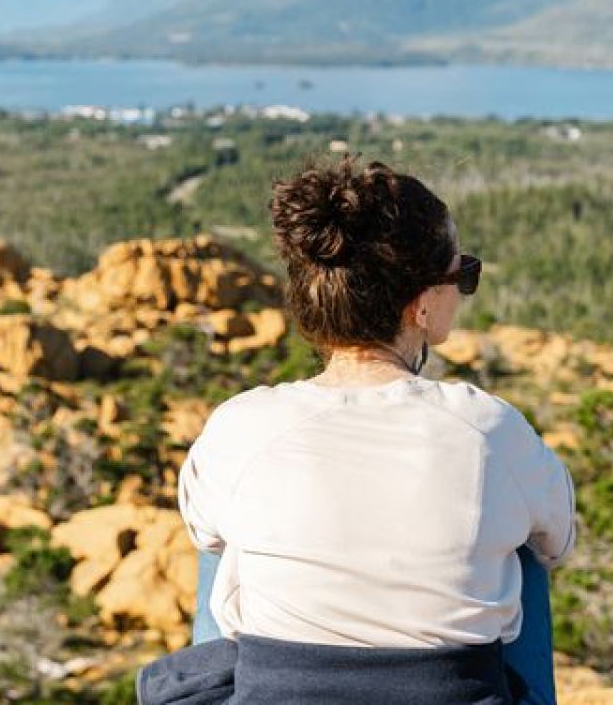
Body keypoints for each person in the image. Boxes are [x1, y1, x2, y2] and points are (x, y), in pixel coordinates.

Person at [139, 157, 575, 705]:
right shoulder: (486, 427)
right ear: (420, 305)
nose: (464, 288)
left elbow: (205, 532)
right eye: (462, 274)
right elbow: (558, 542)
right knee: (523, 552)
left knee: (222, 537)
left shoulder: (242, 426)